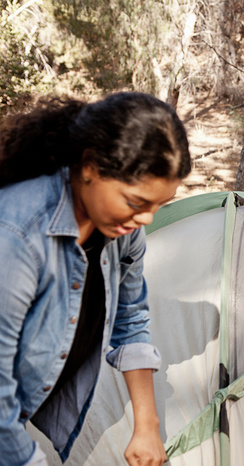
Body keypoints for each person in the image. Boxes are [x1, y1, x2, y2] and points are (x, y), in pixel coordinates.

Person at [0, 92, 191, 466]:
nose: (147, 220)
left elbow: (131, 317)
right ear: (89, 166)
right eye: (136, 202)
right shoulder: (17, 237)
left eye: (158, 206)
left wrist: (147, 426)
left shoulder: (122, 230)